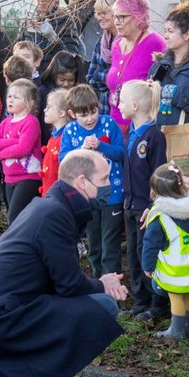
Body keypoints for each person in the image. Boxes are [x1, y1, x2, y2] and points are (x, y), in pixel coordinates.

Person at [0, 149, 128, 377]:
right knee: (105, 306)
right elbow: (69, 285)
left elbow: (61, 279)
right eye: (105, 178)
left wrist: (98, 282)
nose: (110, 184)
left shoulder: (52, 204)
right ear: (82, 182)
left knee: (95, 301)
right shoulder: (56, 214)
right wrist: (103, 285)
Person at [58, 84, 124, 278]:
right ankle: (98, 282)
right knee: (94, 243)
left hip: (113, 193)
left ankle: (114, 285)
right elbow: (64, 159)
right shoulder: (70, 131)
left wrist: (102, 145)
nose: (89, 118)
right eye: (83, 115)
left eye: (93, 112)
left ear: (98, 107)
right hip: (87, 195)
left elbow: (122, 152)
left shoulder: (108, 123)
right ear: (72, 113)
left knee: (110, 243)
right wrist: (81, 149)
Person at [119, 80, 168, 320]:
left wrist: (153, 205)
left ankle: (158, 303)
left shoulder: (154, 136)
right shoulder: (130, 132)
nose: (118, 105)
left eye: (122, 101)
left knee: (147, 253)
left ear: (135, 105)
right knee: (132, 254)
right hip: (130, 203)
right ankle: (141, 300)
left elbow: (158, 174)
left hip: (146, 207)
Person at [143, 164, 189, 339]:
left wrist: (147, 266)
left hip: (174, 270)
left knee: (176, 297)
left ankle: (177, 332)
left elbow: (150, 244)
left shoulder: (159, 215)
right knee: (186, 295)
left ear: (156, 190)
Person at [106, 0, 167, 129]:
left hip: (140, 126)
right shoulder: (117, 45)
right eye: (115, 16)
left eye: (122, 17)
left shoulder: (156, 44)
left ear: (138, 17)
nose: (116, 21)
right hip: (115, 123)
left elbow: (160, 87)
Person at [0, 77, 42, 225]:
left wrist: (1, 153)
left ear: (30, 103)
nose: (10, 100)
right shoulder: (6, 122)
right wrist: (13, 142)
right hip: (9, 177)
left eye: (16, 97)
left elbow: (23, 148)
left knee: (16, 217)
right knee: (13, 219)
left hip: (28, 177)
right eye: (9, 96)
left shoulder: (31, 121)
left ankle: (20, 247)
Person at [16, 0, 81, 72]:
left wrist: (53, 38)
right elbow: (15, 51)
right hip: (28, 77)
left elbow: (71, 58)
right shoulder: (29, 20)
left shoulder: (66, 21)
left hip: (52, 78)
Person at [85, 0, 120, 115]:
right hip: (105, 108)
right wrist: (108, 77)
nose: (99, 18)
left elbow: (121, 79)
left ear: (116, 13)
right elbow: (91, 79)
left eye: (104, 13)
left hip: (123, 110)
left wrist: (101, 75)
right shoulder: (101, 42)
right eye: (97, 14)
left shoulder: (127, 41)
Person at [39, 88, 69, 196]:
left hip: (58, 197)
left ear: (61, 113)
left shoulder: (65, 138)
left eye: (49, 107)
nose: (44, 110)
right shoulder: (54, 137)